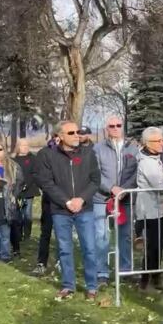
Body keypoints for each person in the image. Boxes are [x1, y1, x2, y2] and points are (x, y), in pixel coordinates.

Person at [34, 120, 101, 301]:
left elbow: (95, 180)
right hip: (60, 210)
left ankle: (92, 286)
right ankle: (68, 285)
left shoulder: (88, 153)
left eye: (77, 131)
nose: (76, 135)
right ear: (60, 136)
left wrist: (81, 199)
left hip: (84, 208)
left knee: (89, 248)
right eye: (71, 133)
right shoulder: (48, 155)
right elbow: (46, 182)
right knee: (64, 249)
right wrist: (66, 202)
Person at [93, 116, 138, 287]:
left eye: (118, 125)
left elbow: (136, 173)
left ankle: (125, 271)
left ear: (122, 127)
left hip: (125, 199)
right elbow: (95, 174)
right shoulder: (97, 149)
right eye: (111, 126)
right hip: (102, 199)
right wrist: (111, 188)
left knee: (125, 236)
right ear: (106, 128)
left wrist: (124, 190)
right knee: (101, 236)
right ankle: (102, 273)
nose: (115, 128)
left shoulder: (133, 149)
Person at [134, 127, 163, 291]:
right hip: (149, 211)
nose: (162, 143)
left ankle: (157, 278)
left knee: (159, 245)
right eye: (158, 141)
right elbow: (159, 184)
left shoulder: (155, 157)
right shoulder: (146, 162)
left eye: (162, 140)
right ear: (147, 143)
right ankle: (145, 282)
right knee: (153, 246)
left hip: (159, 209)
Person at [31, 132, 61, 276]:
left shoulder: (70, 152)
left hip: (65, 200)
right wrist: (47, 188)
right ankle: (41, 262)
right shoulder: (44, 153)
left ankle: (62, 262)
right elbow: (36, 174)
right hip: (49, 199)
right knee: (46, 232)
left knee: (63, 234)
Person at [13, 138, 40, 241]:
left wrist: (26, 185)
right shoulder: (14, 160)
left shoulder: (32, 158)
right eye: (23, 145)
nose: (25, 147)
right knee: (17, 213)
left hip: (29, 189)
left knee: (27, 213)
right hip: (16, 190)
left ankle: (27, 234)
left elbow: (34, 173)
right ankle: (18, 234)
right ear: (18, 147)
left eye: (27, 145)